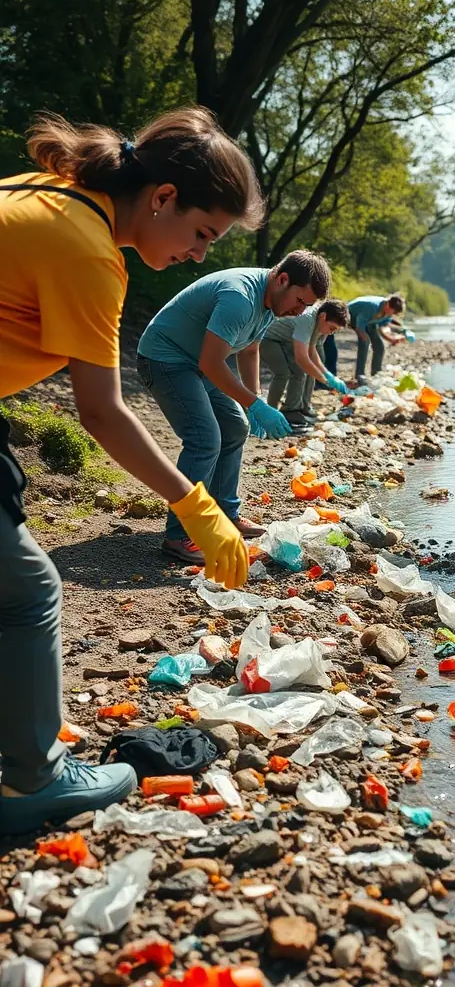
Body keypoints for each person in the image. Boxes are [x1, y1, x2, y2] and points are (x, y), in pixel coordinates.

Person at [0, 106, 261, 833]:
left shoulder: (49, 191)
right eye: (202, 234)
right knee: (26, 592)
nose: (201, 254)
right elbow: (104, 413)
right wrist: (199, 508)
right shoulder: (86, 250)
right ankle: (31, 784)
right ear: (164, 198)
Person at [137, 250, 332, 564]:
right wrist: (255, 404)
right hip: (165, 359)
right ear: (283, 279)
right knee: (204, 437)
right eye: (299, 301)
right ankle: (179, 534)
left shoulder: (273, 302)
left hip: (196, 363)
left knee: (235, 426)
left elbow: (250, 349)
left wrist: (251, 402)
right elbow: (211, 362)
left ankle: (225, 513)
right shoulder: (240, 296)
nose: (299, 312)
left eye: (306, 307)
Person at [260, 298, 350, 432]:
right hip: (267, 338)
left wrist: (328, 375)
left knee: (301, 372)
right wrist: (324, 379)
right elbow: (302, 358)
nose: (332, 332)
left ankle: (293, 410)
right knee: (282, 373)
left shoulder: (322, 324)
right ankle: (270, 415)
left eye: (335, 330)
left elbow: (311, 351)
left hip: (285, 340)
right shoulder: (307, 319)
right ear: (323, 316)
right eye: (332, 328)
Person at [348, 293, 405, 381]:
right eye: (393, 311)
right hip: (352, 316)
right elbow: (360, 326)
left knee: (380, 347)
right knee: (365, 342)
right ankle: (359, 375)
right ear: (387, 304)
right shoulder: (372, 306)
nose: (392, 314)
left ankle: (376, 374)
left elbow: (381, 329)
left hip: (369, 321)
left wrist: (392, 339)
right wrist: (364, 336)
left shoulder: (388, 314)